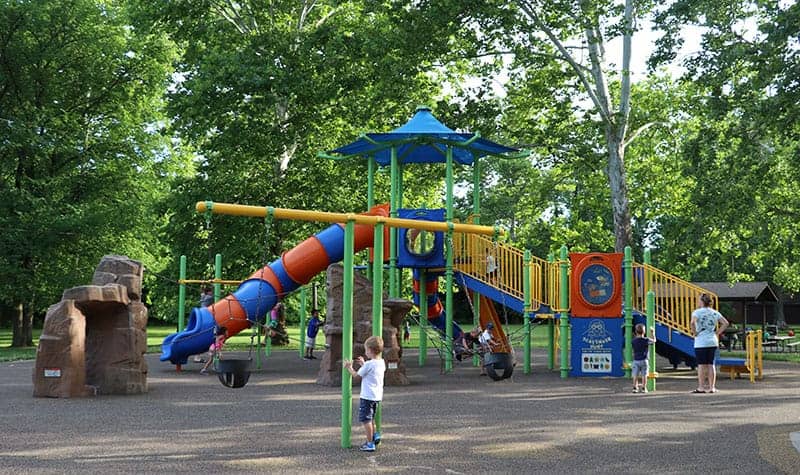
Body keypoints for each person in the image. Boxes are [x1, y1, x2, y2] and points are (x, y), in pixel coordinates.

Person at [343, 336, 385, 452]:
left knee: (366, 420)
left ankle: (370, 443)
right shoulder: (381, 363)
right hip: (376, 396)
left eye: (366, 350)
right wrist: (364, 364)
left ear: (370, 351)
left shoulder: (369, 365)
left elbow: (356, 375)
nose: (365, 352)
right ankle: (374, 435)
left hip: (367, 396)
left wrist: (349, 367)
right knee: (371, 418)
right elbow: (371, 372)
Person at [690, 293, 729, 394]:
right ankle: (712, 387)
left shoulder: (697, 312)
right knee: (711, 364)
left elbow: (692, 323)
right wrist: (717, 332)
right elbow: (725, 323)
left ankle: (701, 387)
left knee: (701, 365)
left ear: (702, 301)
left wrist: (695, 333)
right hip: (712, 340)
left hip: (701, 341)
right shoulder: (715, 312)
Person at [631, 324, 655, 393]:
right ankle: (644, 388)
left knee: (635, 375)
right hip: (644, 360)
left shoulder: (633, 341)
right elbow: (654, 341)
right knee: (644, 375)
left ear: (635, 332)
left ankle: (635, 387)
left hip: (636, 360)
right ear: (644, 332)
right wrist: (652, 333)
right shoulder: (646, 340)